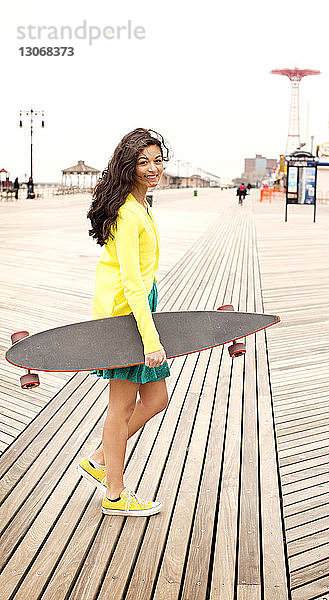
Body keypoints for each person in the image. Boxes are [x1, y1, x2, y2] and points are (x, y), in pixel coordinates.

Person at [81, 128, 171, 517]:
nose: (153, 168)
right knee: (121, 405)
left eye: (156, 159)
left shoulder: (141, 204)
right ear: (128, 167)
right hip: (125, 315)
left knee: (156, 398)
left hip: (137, 307)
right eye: (143, 162)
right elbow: (131, 282)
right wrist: (150, 339)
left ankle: (101, 455)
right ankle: (115, 494)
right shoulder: (127, 213)